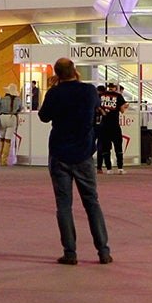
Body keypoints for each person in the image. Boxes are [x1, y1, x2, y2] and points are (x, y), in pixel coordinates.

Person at [39, 59, 111, 265]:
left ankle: (70, 252)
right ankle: (103, 251)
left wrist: (54, 88)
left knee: (64, 205)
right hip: (84, 153)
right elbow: (96, 107)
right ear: (75, 71)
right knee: (92, 202)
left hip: (60, 153)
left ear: (57, 74)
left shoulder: (54, 93)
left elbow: (44, 117)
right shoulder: (89, 91)